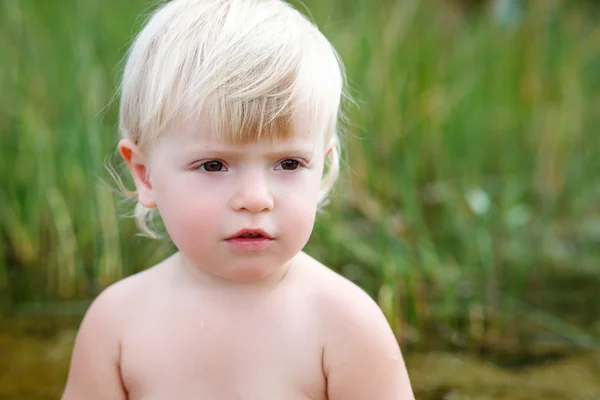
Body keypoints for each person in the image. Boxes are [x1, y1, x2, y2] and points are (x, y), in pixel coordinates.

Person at [61, 0, 415, 398]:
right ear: (145, 174)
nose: (255, 199)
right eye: (213, 165)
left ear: (323, 170)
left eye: (289, 163)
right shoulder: (117, 324)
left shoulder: (345, 324)